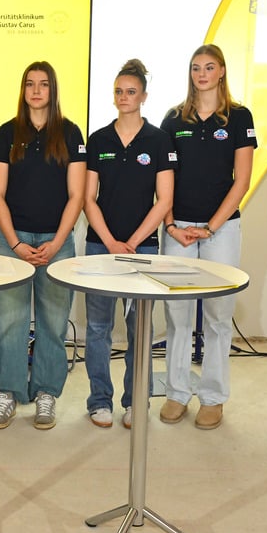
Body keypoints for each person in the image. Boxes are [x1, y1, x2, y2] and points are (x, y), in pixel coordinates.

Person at [159, 44, 256, 430]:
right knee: (177, 316)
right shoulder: (173, 118)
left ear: (221, 72)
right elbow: (162, 181)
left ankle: (213, 397)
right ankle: (177, 393)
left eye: (209, 67)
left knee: (218, 317)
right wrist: (170, 226)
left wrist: (212, 227)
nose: (202, 73)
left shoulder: (238, 117)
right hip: (178, 231)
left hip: (221, 230)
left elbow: (242, 180)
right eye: (196, 67)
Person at [0, 60, 86, 430]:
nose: (36, 90)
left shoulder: (71, 133)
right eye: (30, 84)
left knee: (53, 323)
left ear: (53, 90)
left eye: (43, 84)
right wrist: (14, 243)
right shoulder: (6, 133)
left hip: (56, 243)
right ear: (23, 90)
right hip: (13, 242)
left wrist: (58, 242)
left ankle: (46, 394)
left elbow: (76, 196)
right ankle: (8, 393)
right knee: (8, 322)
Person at [83, 59, 176, 430]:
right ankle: (99, 401)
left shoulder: (158, 140)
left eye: (131, 92)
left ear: (144, 96)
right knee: (98, 329)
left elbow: (164, 200)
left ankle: (135, 401)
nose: (124, 97)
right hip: (99, 247)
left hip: (144, 250)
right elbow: (89, 198)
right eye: (119, 92)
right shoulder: (98, 140)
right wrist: (110, 242)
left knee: (140, 329)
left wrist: (133, 242)